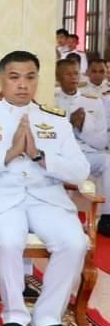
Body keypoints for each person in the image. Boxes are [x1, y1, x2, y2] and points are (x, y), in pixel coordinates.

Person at [0, 51, 90, 326]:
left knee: (74, 242)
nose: (22, 85)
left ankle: (47, 315)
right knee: (8, 241)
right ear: (1, 80)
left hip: (47, 198)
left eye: (30, 77)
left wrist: (39, 156)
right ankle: (14, 313)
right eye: (14, 77)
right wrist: (10, 154)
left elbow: (80, 170)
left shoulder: (54, 120)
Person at [54, 59, 110, 237]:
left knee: (107, 160)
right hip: (60, 154)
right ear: (58, 77)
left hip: (85, 153)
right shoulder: (51, 100)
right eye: (67, 74)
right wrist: (69, 123)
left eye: (75, 73)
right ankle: (61, 218)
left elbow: (101, 142)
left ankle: (107, 217)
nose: (73, 77)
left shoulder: (93, 102)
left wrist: (82, 126)